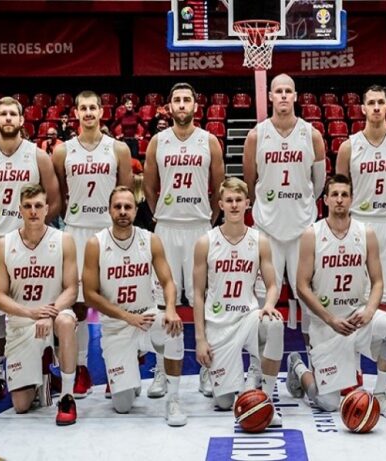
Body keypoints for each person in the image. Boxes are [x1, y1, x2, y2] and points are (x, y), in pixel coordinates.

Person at [287, 175, 386, 419]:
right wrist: (330, 319)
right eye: (335, 195)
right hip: (326, 325)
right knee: (327, 403)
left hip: (357, 317)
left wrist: (370, 311)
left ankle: (381, 393)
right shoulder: (311, 234)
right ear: (326, 200)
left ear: (352, 199)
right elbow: (301, 286)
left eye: (344, 195)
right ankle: (298, 367)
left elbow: (378, 281)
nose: (339, 199)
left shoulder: (366, 233)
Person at [0, 96, 60, 402]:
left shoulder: (38, 156)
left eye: (13, 114)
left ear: (22, 120)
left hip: (31, 243)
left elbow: (55, 200)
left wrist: (32, 230)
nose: (7, 118)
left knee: (39, 311)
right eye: (2, 114)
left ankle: (43, 372)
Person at [143, 82, 224, 398]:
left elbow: (219, 187)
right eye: (176, 100)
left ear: (195, 106)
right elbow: (149, 187)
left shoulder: (209, 141)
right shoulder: (158, 141)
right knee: (163, 301)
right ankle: (161, 369)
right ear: (168, 107)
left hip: (199, 227)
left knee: (204, 300)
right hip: (167, 227)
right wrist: (160, 215)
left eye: (186, 99)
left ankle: (207, 367)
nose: (181, 104)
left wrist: (209, 220)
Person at [51, 90, 134, 399]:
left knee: (116, 304)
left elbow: (125, 193)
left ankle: (117, 369)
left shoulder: (118, 149)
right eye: (82, 108)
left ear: (101, 112)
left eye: (92, 108)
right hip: (76, 231)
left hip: (109, 233)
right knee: (79, 305)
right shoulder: (62, 151)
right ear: (75, 113)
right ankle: (81, 368)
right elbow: (59, 195)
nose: (87, 113)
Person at [82, 186, 187, 426]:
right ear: (109, 210)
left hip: (147, 318)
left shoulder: (150, 240)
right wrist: (127, 317)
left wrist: (171, 308)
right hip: (116, 326)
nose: (122, 211)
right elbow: (89, 295)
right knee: (123, 406)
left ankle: (173, 399)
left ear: (135, 210)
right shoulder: (96, 244)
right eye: (117, 206)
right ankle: (131, 364)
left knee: (173, 328)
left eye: (127, 207)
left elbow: (168, 282)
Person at [335, 84, 386, 397]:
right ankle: (351, 368)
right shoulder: (349, 146)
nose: (377, 107)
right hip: (359, 224)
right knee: (353, 299)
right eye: (372, 102)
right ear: (363, 108)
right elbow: (341, 189)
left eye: (382, 102)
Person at [243, 73, 327, 354]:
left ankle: (317, 361)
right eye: (278, 91)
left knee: (309, 298)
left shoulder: (312, 135)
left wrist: (301, 203)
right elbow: (250, 182)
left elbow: (319, 184)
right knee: (261, 297)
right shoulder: (256, 136)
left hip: (302, 228)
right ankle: (258, 365)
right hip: (267, 228)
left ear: (295, 96)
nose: (282, 96)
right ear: (270, 96)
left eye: (287, 91)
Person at [193, 178, 284, 424]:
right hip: (218, 324)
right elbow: (198, 294)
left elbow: (273, 285)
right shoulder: (205, 242)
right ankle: (210, 371)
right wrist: (200, 339)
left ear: (247, 203)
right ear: (220, 204)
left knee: (274, 324)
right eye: (229, 200)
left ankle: (266, 398)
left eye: (238, 200)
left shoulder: (259, 240)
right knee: (224, 403)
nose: (234, 205)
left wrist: (269, 305)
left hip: (248, 316)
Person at [0, 184, 79, 426]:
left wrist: (48, 314)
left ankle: (67, 397)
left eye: (38, 206)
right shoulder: (3, 245)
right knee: (21, 405)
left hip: (54, 315)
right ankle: (43, 370)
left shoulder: (64, 240)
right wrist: (30, 313)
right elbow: (0, 296)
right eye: (28, 206)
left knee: (66, 321)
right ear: (19, 209)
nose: (33, 211)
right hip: (22, 322)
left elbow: (72, 289)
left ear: (47, 209)